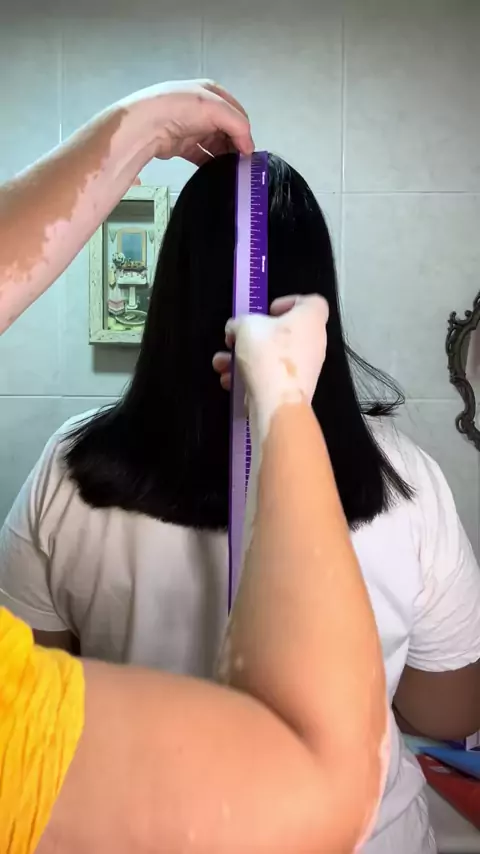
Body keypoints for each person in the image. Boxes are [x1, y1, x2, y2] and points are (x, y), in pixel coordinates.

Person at [3, 149, 480, 854]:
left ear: (171, 292)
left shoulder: (70, 469)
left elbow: (37, 676)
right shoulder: (402, 476)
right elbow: (449, 707)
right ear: (318, 303)